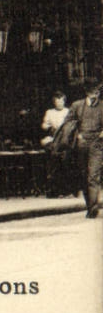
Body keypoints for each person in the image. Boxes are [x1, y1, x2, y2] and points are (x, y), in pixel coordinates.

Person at [55, 79, 103, 218]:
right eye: (93, 91)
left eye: (98, 91)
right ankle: (89, 205)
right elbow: (67, 122)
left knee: (93, 175)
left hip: (97, 144)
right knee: (83, 175)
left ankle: (93, 207)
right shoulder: (77, 106)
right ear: (87, 92)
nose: (96, 94)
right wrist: (77, 134)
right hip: (81, 144)